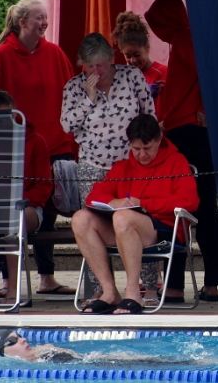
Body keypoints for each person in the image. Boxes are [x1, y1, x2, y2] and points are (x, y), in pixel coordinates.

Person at [0, 0, 75, 297]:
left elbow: (71, 95)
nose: (44, 22)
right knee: (4, 211)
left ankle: (47, 276)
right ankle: (7, 281)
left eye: (46, 17)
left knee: (46, 212)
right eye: (38, 17)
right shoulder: (2, 55)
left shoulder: (55, 53)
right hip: (14, 144)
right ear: (22, 22)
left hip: (53, 142)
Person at [61, 33, 158, 304]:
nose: (95, 71)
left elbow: (149, 116)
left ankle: (149, 287)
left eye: (101, 65)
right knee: (91, 222)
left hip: (132, 163)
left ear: (111, 60)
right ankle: (103, 290)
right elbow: (67, 125)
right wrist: (88, 98)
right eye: (89, 66)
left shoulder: (131, 76)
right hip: (93, 164)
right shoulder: (75, 87)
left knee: (136, 218)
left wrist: (149, 152)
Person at [71, 114, 199, 315]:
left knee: (123, 217)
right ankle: (109, 291)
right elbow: (93, 196)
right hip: (125, 228)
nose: (141, 155)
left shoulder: (177, 162)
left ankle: (133, 292)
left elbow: (190, 201)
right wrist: (113, 202)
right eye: (136, 149)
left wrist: (144, 203)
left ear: (159, 140)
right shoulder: (123, 166)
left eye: (147, 148)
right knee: (80, 218)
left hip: (164, 230)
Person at [145, 0, 218, 303]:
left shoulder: (184, 38)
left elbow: (207, 74)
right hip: (192, 130)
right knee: (203, 206)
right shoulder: (189, 37)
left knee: (179, 206)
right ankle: (211, 283)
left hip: (186, 132)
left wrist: (202, 108)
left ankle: (176, 285)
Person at [0, 89, 54, 303]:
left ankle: (13, 290)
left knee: (12, 222)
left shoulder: (35, 141)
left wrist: (16, 202)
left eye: (9, 115)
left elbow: (44, 186)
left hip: (27, 208)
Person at [0, 329, 193, 364]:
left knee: (151, 362)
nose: (23, 340)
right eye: (12, 341)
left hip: (99, 361)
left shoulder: (45, 356)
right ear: (1, 353)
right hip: (99, 364)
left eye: (19, 336)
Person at [111, 10, 168, 118]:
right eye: (128, 56)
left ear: (147, 48)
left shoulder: (164, 73)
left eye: (137, 55)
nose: (133, 60)